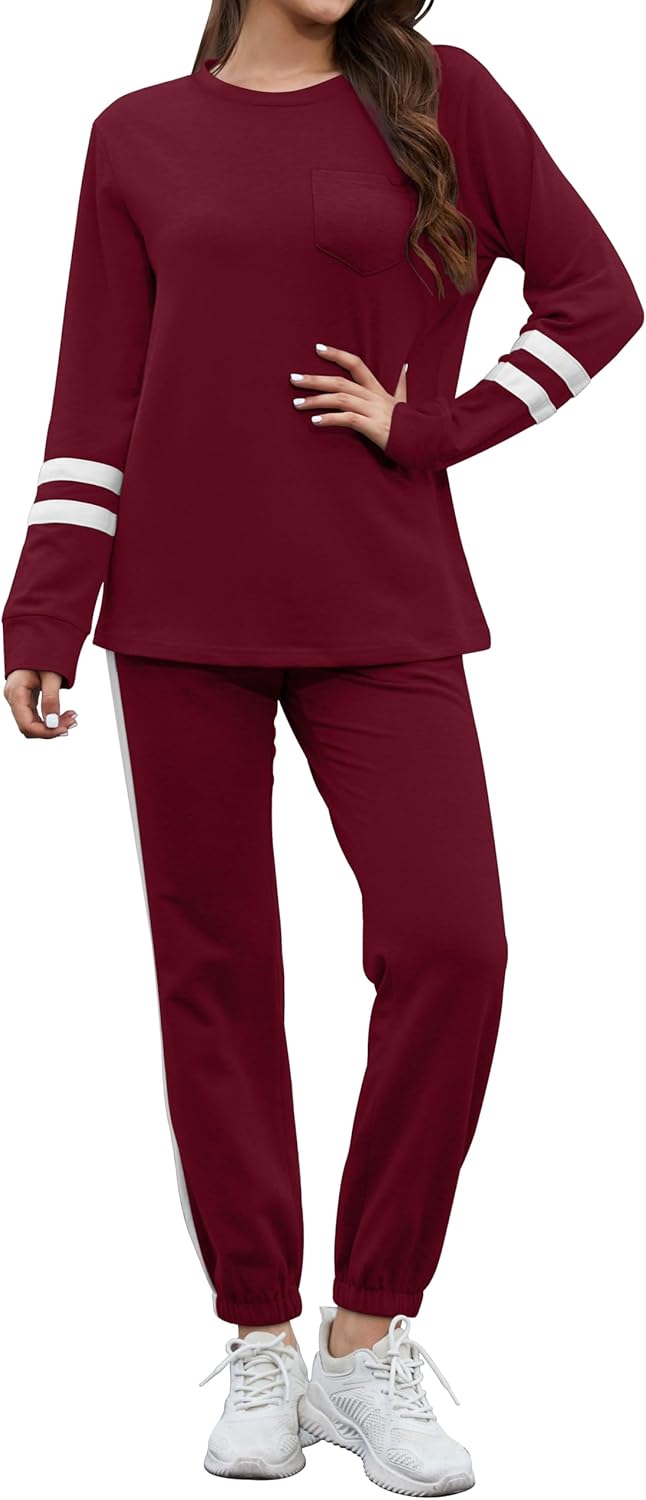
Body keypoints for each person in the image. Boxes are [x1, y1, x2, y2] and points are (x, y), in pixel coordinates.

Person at [2, 0, 642, 1492]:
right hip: (176, 613)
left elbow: (596, 296)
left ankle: (365, 1338)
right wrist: (44, 611)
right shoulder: (136, 136)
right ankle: (258, 1337)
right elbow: (96, 391)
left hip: (382, 599)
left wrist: (439, 427)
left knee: (451, 944)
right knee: (217, 971)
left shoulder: (444, 95)